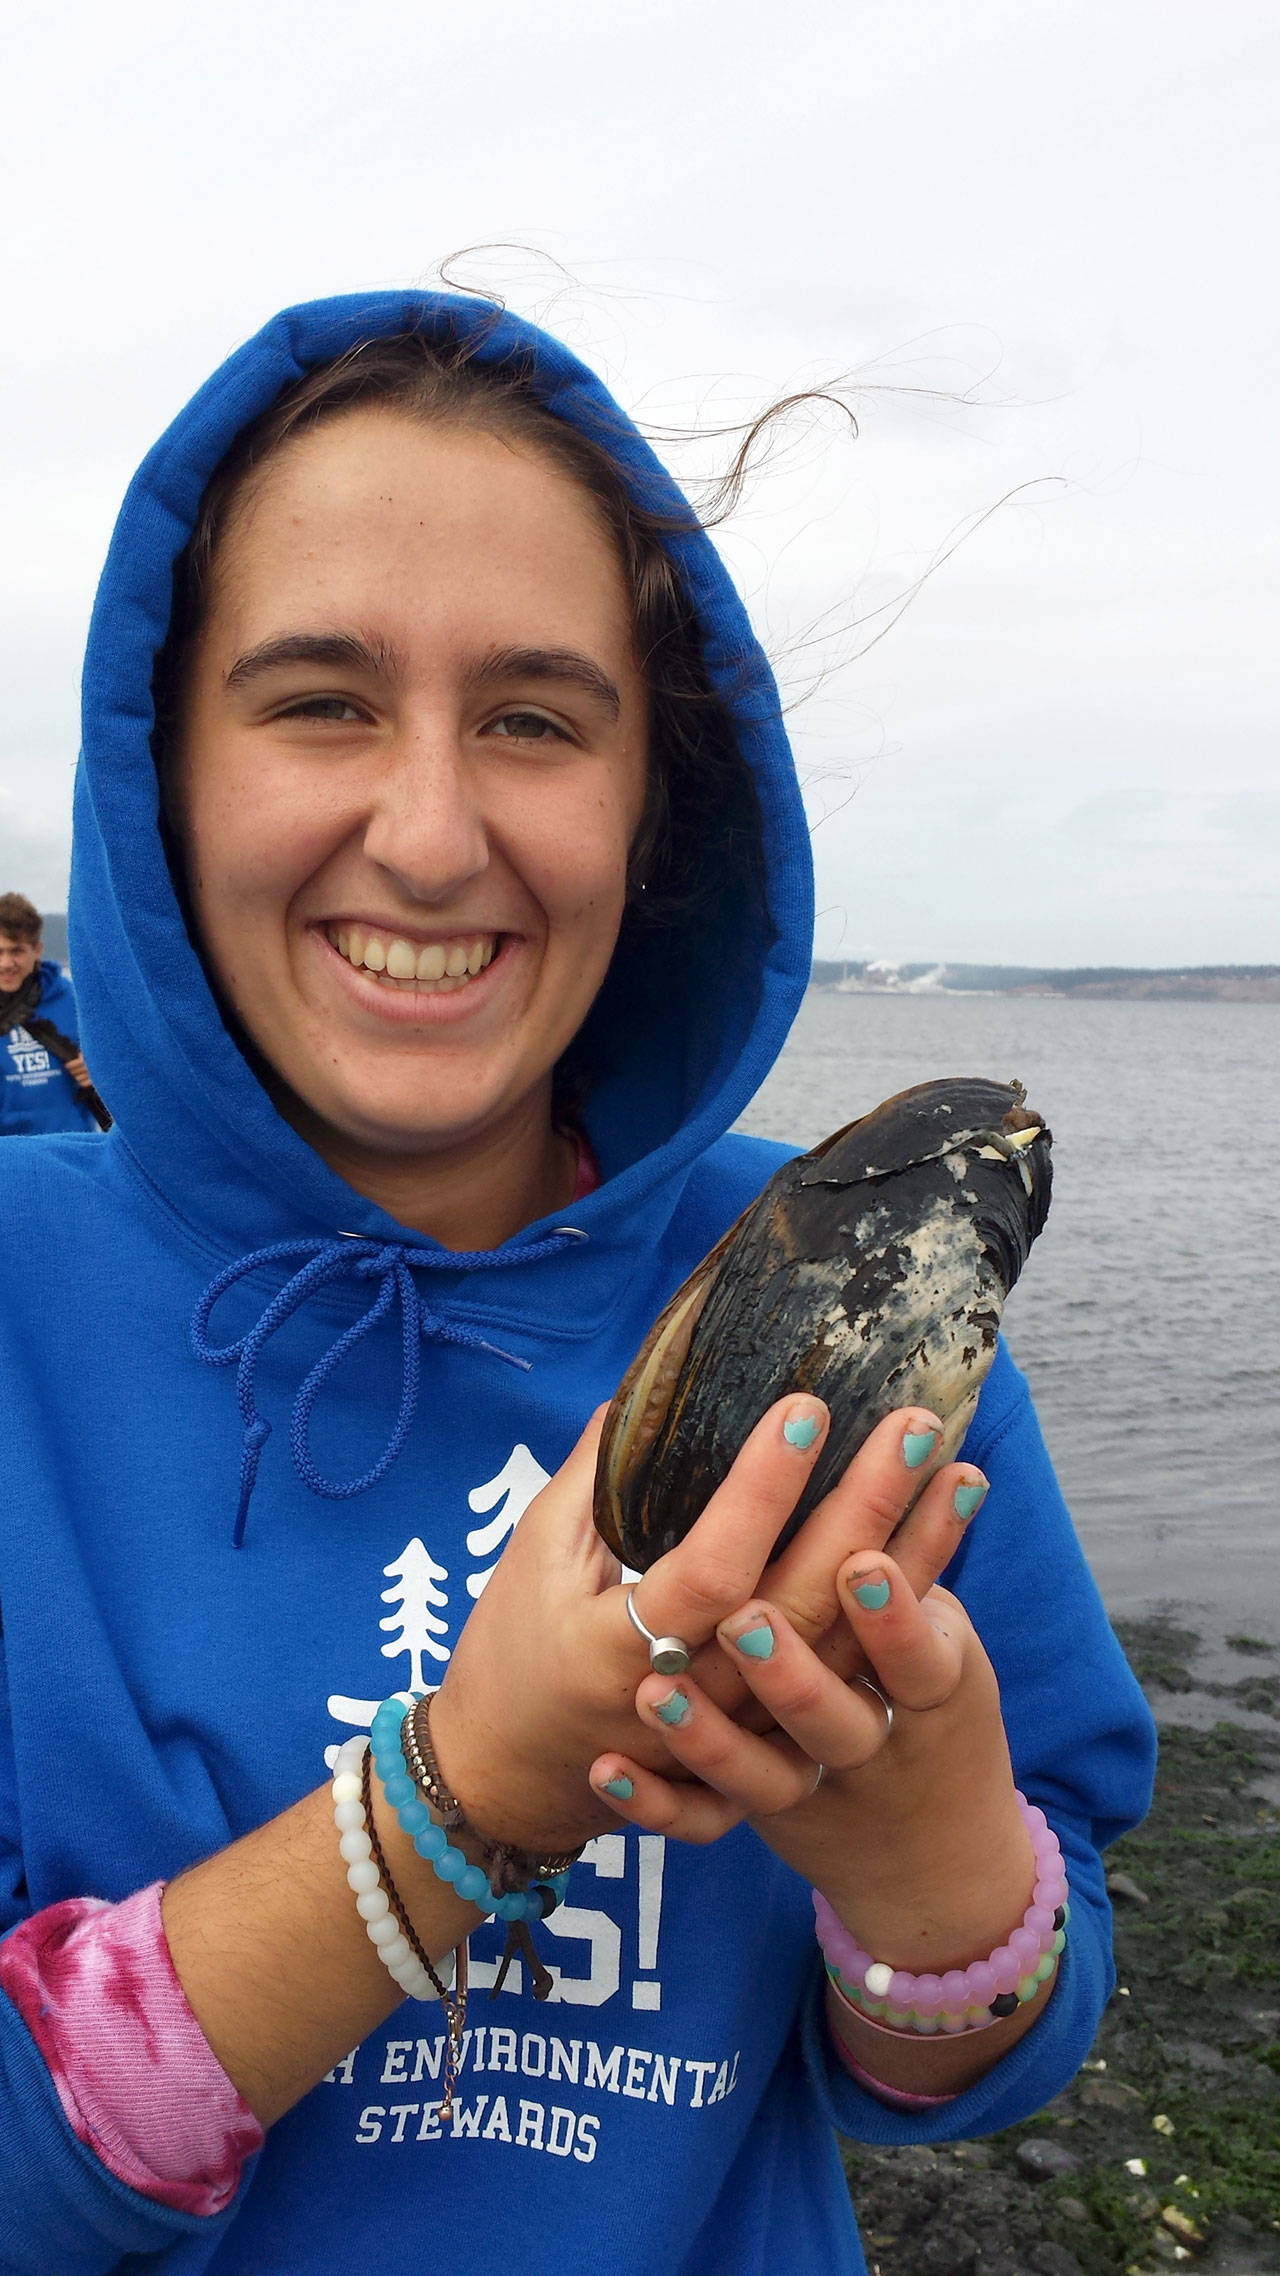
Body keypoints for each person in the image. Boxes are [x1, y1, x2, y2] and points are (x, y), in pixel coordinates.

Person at [0, 292, 1154, 2276]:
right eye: (318, 699)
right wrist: (458, 1803)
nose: (432, 834)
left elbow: (973, 2055)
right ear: (160, 775)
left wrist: (934, 1871)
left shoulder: (828, 1292)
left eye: (535, 718)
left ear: (650, 803)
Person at [0, 890, 107, 1133]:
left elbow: (122, 1086)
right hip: (6, 1157)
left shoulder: (75, 1001)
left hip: (71, 1151)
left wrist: (100, 1074)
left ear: (37, 949)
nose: (6, 963)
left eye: (16, 951)